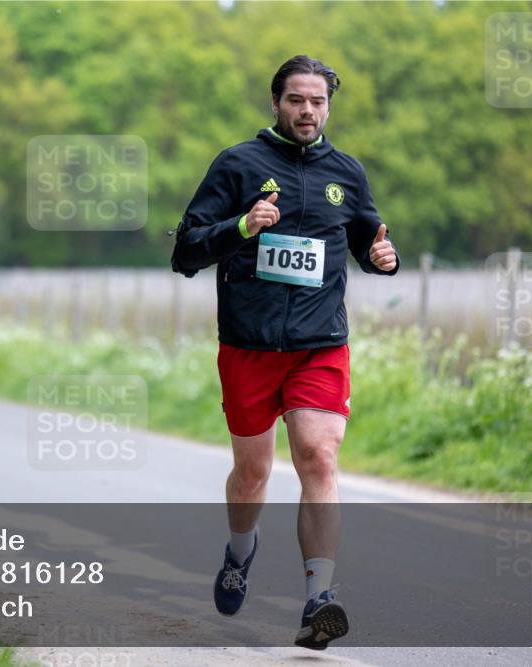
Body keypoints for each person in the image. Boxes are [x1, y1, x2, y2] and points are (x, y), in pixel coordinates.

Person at [171, 55, 399, 650]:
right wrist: (241, 229)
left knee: (319, 457)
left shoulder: (346, 172)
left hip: (320, 345)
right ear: (276, 102)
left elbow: (368, 238)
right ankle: (239, 552)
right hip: (248, 344)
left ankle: (319, 598)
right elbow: (186, 251)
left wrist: (384, 260)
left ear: (328, 107)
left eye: (318, 102)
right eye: (296, 100)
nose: (307, 111)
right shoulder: (238, 164)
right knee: (252, 474)